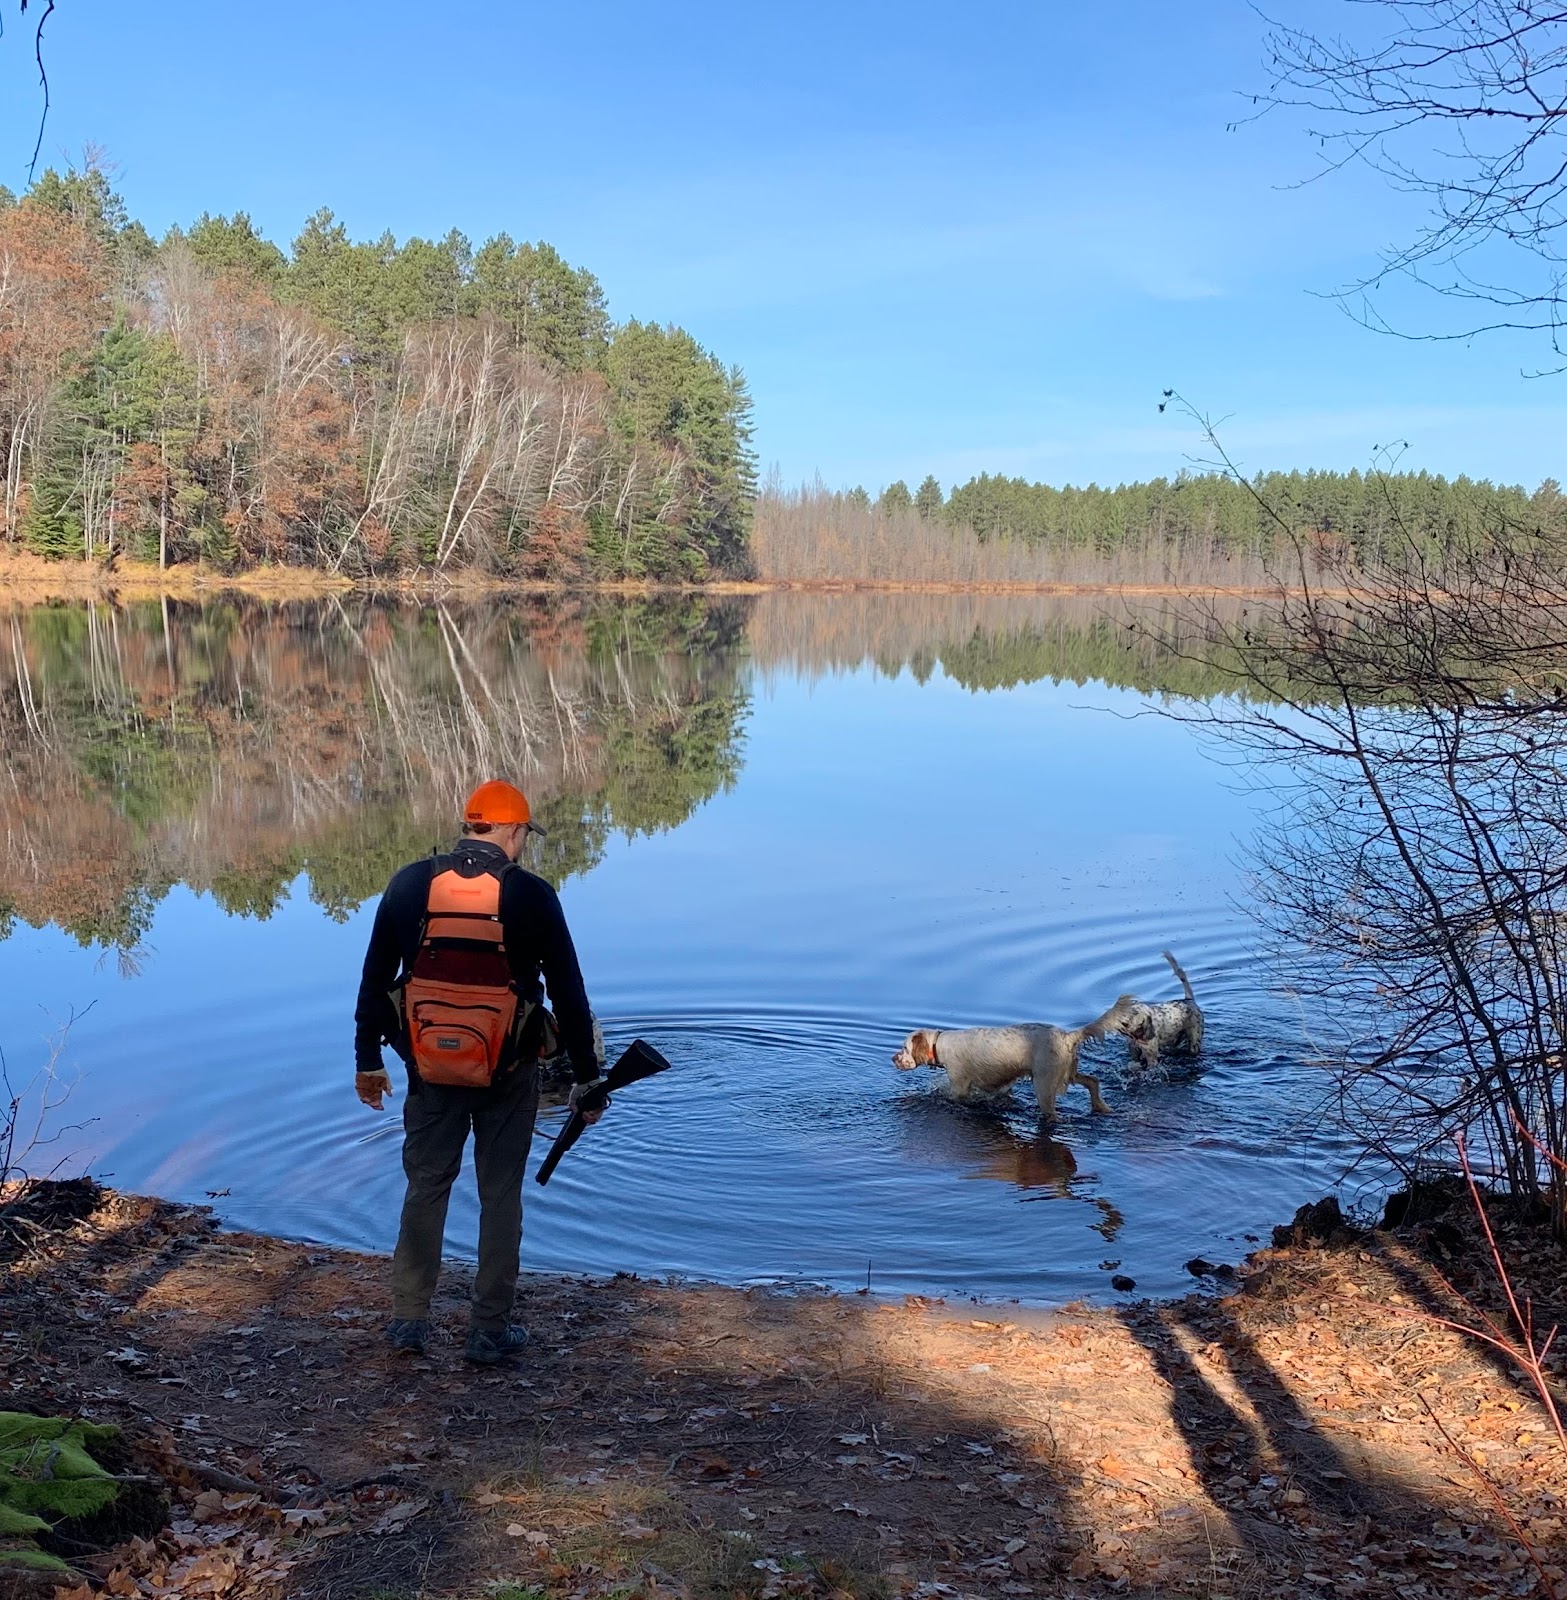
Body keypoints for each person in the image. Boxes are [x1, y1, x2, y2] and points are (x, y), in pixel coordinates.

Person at [354, 779, 605, 1364]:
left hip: (428, 1069)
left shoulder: (410, 883)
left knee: (426, 1187)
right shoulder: (533, 896)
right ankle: (488, 1328)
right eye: (524, 835)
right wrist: (588, 1079)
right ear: (514, 831)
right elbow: (569, 993)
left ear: (471, 826)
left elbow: (374, 980)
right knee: (500, 1196)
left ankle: (408, 1320)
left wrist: (367, 1061)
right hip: (508, 1072)